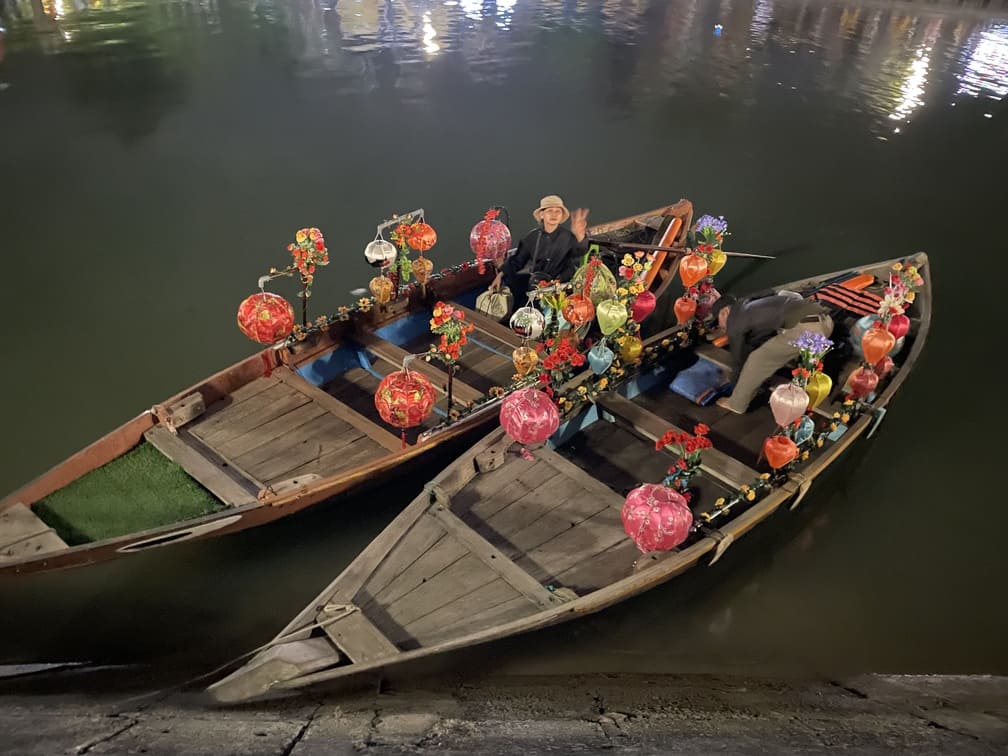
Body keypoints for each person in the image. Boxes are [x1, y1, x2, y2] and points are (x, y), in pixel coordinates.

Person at [711, 291, 833, 414]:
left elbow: (738, 359)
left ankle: (736, 404)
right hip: (826, 321)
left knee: (757, 359)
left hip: (808, 331)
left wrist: (735, 384)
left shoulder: (734, 320)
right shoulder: (749, 303)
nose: (720, 327)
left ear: (725, 312)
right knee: (771, 351)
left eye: (717, 322)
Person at [490, 195, 589, 312]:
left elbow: (579, 252)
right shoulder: (532, 237)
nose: (554, 214)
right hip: (536, 287)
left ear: (562, 215)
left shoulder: (568, 237)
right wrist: (500, 275)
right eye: (550, 211)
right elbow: (517, 261)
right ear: (542, 215)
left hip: (559, 289)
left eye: (558, 211)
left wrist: (580, 236)